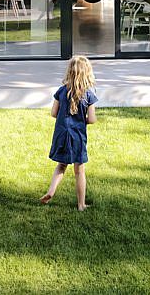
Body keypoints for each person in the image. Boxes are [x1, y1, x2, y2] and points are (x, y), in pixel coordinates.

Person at [40, 55, 98, 211]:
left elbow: (53, 113)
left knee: (61, 165)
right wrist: (80, 120)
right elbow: (92, 119)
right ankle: (81, 205)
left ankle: (51, 191)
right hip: (77, 136)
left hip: (61, 134)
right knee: (79, 170)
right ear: (87, 74)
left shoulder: (61, 91)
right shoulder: (89, 95)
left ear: (70, 72)